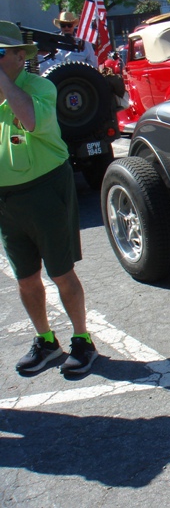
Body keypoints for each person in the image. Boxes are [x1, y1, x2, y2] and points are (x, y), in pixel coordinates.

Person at [0, 21, 98, 375]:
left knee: (61, 272)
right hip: (6, 198)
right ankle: (46, 341)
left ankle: (82, 339)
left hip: (45, 189)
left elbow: (28, 120)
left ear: (18, 57)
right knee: (25, 277)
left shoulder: (39, 87)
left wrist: (2, 82)